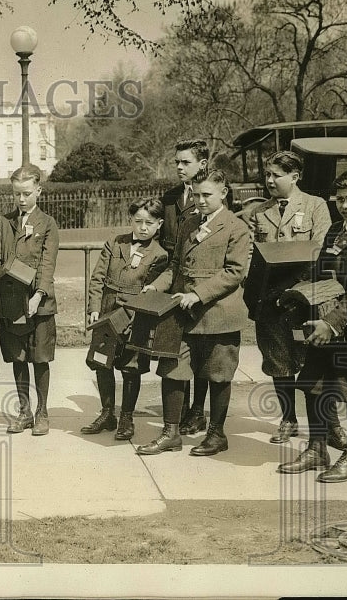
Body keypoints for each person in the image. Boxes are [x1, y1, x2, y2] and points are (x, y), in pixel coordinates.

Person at [138, 169, 251, 457]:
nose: (200, 200)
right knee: (172, 370)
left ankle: (216, 434)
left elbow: (235, 272)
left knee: (218, 375)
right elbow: (175, 267)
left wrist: (198, 294)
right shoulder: (188, 224)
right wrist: (154, 286)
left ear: (223, 193)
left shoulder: (236, 227)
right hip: (182, 315)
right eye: (197, 194)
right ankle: (171, 433)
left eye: (207, 195)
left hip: (218, 314)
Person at [279, 169, 347, 482]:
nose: (345, 206)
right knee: (312, 384)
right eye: (340, 199)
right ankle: (317, 448)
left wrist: (331, 322)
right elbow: (321, 274)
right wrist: (300, 295)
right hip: (323, 321)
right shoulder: (335, 231)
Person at [246, 151, 334, 445]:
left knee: (315, 361)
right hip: (271, 300)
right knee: (278, 360)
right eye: (267, 175)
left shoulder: (315, 206)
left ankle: (329, 425)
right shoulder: (259, 212)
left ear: (295, 176)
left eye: (276, 175)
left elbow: (319, 248)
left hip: (305, 297)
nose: (269, 180)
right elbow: (253, 255)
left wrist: (297, 288)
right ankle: (288, 419)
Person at [81, 197, 168, 441]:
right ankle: (107, 413)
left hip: (134, 317)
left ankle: (126, 417)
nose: (142, 227)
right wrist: (94, 308)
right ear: (130, 219)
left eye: (149, 223)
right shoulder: (115, 243)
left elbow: (149, 291)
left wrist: (134, 316)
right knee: (101, 362)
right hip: (107, 314)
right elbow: (97, 278)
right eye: (138, 221)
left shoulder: (160, 255)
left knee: (131, 368)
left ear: (159, 224)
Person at [0, 164, 60, 436]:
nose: (21, 199)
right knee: (18, 358)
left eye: (27, 193)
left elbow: (47, 263)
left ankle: (42, 413)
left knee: (39, 358)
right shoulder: (3, 222)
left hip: (39, 304)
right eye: (17, 194)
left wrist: (38, 295)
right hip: (10, 304)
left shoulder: (48, 224)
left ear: (38, 191)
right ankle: (24, 412)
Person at [159, 139, 212, 437]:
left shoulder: (210, 196)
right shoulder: (170, 198)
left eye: (186, 162)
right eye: (177, 162)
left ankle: (197, 411)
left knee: (202, 349)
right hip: (173, 280)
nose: (179, 167)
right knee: (178, 349)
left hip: (200, 285)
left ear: (202, 164)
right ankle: (181, 410)